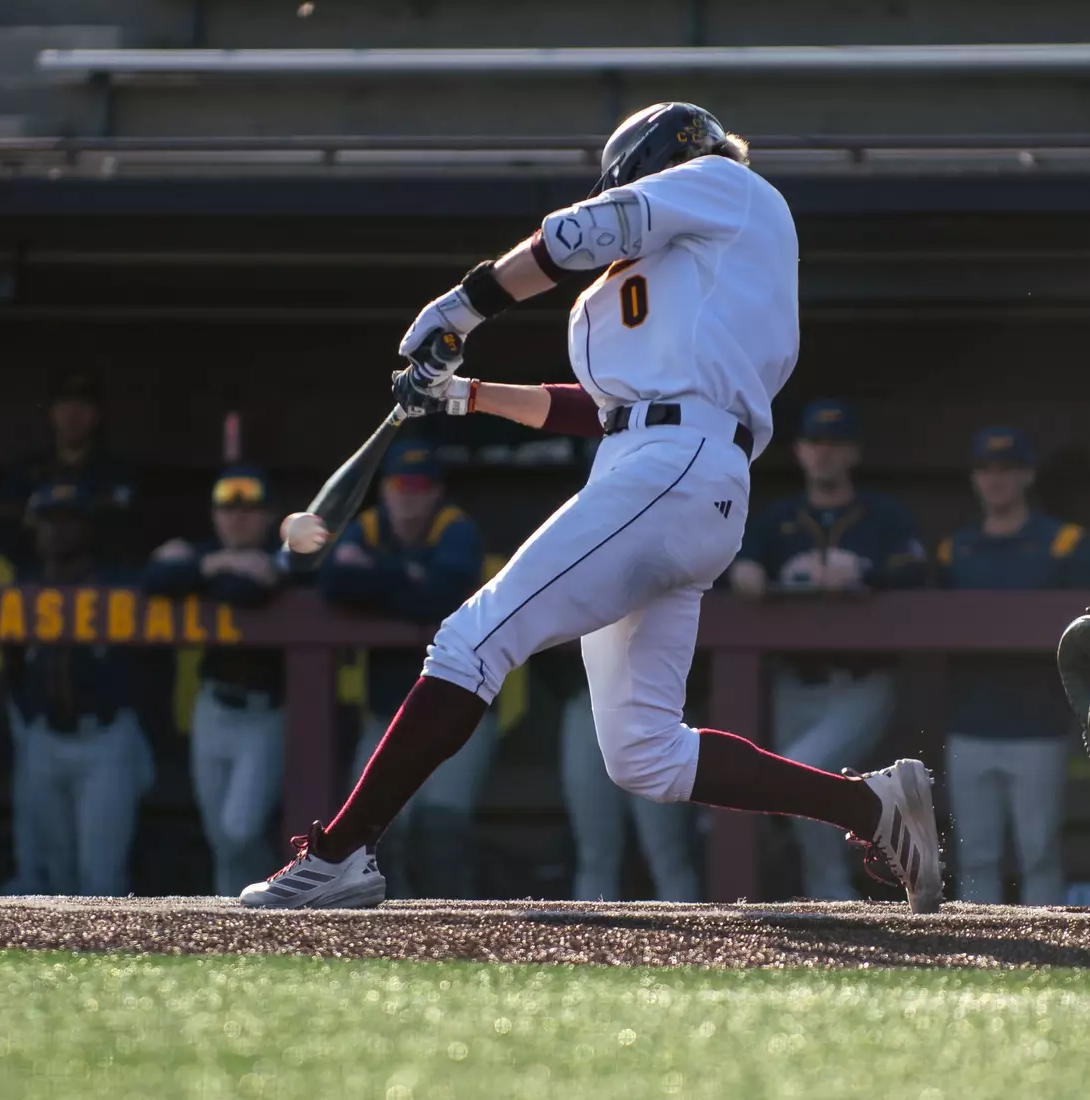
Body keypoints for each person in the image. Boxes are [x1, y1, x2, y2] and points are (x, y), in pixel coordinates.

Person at [246, 101, 943, 912]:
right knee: (644, 754)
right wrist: (463, 396)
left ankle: (340, 853)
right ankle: (871, 805)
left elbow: (581, 236)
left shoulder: (725, 184)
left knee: (471, 640)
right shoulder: (671, 280)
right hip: (668, 471)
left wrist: (467, 303)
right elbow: (605, 409)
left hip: (675, 467)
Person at [727, 399, 926, 899]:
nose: (824, 454)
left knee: (802, 768)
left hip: (860, 680)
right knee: (797, 791)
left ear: (852, 453)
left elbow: (916, 569)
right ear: (799, 451)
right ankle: (831, 898)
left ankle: (851, 879)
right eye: (816, 443)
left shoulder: (882, 515)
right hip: (796, 680)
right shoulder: (779, 518)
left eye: (835, 444)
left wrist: (864, 575)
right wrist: (748, 573)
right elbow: (742, 564)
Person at [317, 441, 496, 899]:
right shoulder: (369, 526)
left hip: (460, 716)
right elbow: (334, 582)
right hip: (386, 711)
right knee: (376, 831)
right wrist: (409, 575)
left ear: (437, 491)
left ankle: (456, 930)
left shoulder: (455, 528)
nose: (410, 494)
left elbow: (445, 590)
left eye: (422, 485)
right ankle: (387, 933)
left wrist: (378, 580)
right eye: (401, 484)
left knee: (443, 832)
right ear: (385, 489)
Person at [938, 427, 1090, 905]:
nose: (996, 481)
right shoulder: (955, 549)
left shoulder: (1066, 544)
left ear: (1026, 476)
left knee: (1039, 853)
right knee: (976, 857)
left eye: (1007, 470)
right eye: (986, 471)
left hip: (1040, 725)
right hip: (970, 723)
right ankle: (976, 957)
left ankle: (1049, 962)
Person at [142, 465, 293, 897]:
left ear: (267, 515)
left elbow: (245, 590)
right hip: (213, 709)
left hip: (265, 713)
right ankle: (230, 928)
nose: (237, 517)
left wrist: (206, 568)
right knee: (220, 839)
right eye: (228, 508)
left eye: (249, 508)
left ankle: (275, 901)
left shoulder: (280, 553)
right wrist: (218, 561)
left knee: (240, 829)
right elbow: (155, 580)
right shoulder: (208, 552)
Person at [5, 478, 152, 896]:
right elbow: (12, 668)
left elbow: (148, 670)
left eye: (69, 521)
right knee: (56, 875)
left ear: (88, 528)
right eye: (49, 521)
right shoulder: (25, 587)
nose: (57, 531)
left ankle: (114, 962)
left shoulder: (117, 585)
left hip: (104, 737)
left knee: (101, 878)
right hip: (46, 738)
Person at [0, 367, 136, 570]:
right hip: (36, 577)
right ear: (52, 412)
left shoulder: (116, 471)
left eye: (83, 404)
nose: (73, 412)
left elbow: (122, 533)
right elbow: (5, 530)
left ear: (97, 414)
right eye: (65, 403)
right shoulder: (26, 469)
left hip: (100, 578)